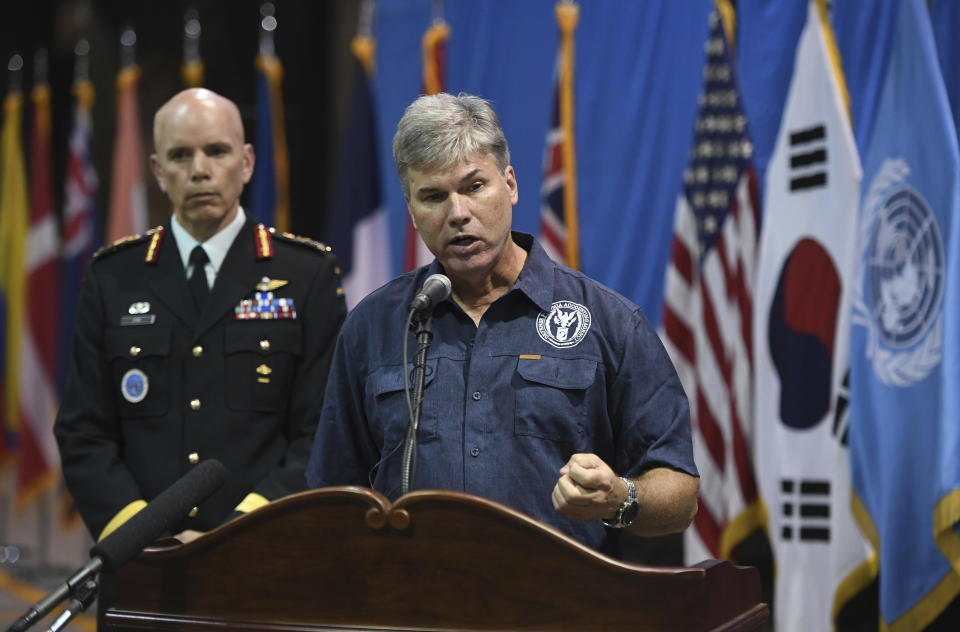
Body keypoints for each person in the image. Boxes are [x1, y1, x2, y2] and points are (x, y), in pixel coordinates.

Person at [305, 92, 698, 554]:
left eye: (474, 186)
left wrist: (618, 498)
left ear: (509, 184)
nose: (457, 214)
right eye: (432, 196)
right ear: (411, 213)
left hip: (562, 607)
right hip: (413, 607)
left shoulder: (610, 323)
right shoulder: (373, 326)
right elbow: (332, 494)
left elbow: (680, 495)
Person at [55, 88, 346, 543]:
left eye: (216, 151)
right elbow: (82, 430)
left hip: (262, 551)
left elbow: (322, 431)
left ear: (247, 162)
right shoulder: (113, 277)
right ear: (157, 172)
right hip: (142, 558)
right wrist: (145, 534)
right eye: (180, 155)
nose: (199, 171)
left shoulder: (306, 275)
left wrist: (234, 536)